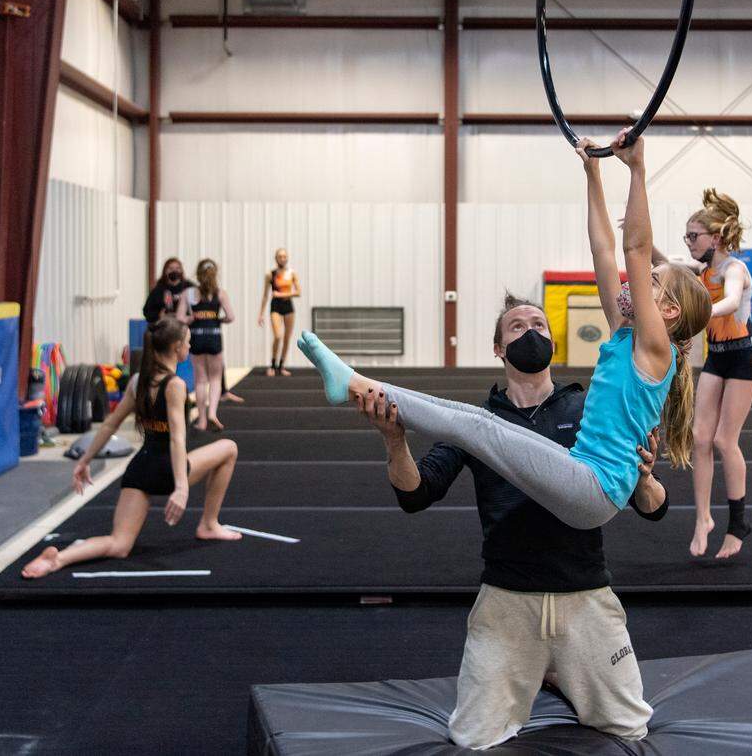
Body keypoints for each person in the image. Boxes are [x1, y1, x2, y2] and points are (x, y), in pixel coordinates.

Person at [297, 128, 711, 532]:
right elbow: (604, 247)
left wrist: (638, 170)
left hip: (594, 488)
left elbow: (635, 249)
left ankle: (352, 382)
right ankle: (356, 384)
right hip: (585, 477)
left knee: (482, 428)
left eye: (650, 282)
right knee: (476, 418)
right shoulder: (625, 335)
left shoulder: (655, 352)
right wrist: (594, 175)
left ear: (669, 312)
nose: (635, 282)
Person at [358, 291, 669, 749]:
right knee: (472, 737)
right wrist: (394, 442)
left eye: (539, 325)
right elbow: (416, 494)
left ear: (553, 344)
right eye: (518, 328)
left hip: (584, 596)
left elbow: (655, 507)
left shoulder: (588, 410)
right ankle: (539, 669)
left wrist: (643, 477)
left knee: (630, 728)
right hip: (507, 600)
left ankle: (560, 670)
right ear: (499, 349)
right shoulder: (478, 424)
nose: (531, 332)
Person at [21, 318, 241, 578]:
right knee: (229, 447)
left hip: (141, 469)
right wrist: (181, 487)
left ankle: (58, 559)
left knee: (118, 544)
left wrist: (85, 460)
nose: (190, 348)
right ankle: (208, 523)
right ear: (177, 347)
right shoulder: (175, 385)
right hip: (168, 469)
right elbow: (176, 439)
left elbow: (109, 425)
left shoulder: (138, 381)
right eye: (189, 343)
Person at [683, 190, 752, 560]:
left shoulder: (734, 270)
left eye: (693, 236)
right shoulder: (703, 271)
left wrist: (702, 312)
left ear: (715, 238)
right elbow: (668, 265)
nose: (689, 243)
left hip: (745, 359)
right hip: (717, 357)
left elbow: (730, 301)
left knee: (724, 441)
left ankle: (737, 523)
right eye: (687, 236)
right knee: (700, 437)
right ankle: (702, 519)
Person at [144, 257, 243, 404]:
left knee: (207, 370)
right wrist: (159, 316)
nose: (174, 271)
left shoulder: (189, 288)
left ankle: (222, 390)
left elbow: (200, 306)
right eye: (170, 268)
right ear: (165, 271)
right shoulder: (159, 290)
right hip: (167, 331)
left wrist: (193, 318)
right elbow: (148, 311)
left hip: (188, 332)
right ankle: (160, 392)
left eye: (177, 268)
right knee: (171, 363)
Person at [177, 259, 236, 432]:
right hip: (214, 337)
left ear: (197, 274)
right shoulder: (220, 293)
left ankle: (202, 420)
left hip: (196, 338)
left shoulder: (188, 293)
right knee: (216, 379)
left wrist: (191, 318)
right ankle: (212, 412)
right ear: (215, 274)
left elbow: (180, 318)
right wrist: (219, 319)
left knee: (201, 381)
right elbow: (231, 316)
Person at [258, 248, 301, 376]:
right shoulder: (270, 274)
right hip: (275, 307)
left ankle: (281, 366)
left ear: (287, 258)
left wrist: (282, 294)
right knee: (278, 336)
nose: (282, 258)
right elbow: (265, 295)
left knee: (287, 338)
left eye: (284, 256)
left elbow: (298, 292)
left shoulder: (292, 273)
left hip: (288, 307)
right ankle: (272, 365)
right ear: (276, 258)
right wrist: (260, 313)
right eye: (280, 256)